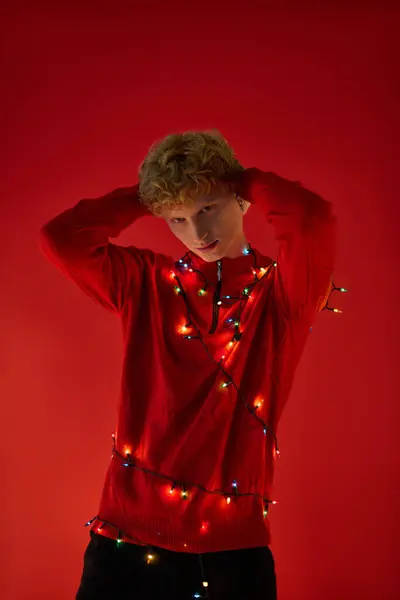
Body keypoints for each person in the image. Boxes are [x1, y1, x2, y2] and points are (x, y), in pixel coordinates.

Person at [39, 130, 337, 600]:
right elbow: (60, 238)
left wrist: (242, 178)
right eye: (176, 218)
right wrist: (150, 195)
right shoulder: (145, 283)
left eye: (207, 208)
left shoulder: (281, 298)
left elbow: (311, 218)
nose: (197, 233)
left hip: (229, 553)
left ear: (240, 201)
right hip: (124, 543)